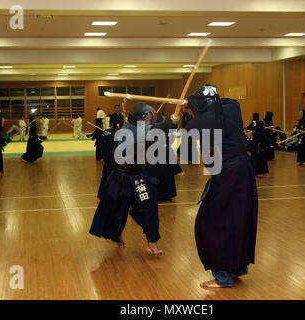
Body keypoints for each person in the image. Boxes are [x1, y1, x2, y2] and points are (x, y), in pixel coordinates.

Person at [181, 85, 258, 289]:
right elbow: (226, 102)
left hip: (227, 173)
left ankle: (222, 277)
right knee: (238, 218)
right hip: (245, 171)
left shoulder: (199, 122)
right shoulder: (233, 109)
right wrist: (194, 102)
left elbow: (185, 152)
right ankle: (236, 270)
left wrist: (183, 111)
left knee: (210, 223)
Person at [89, 102, 178, 255]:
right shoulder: (127, 129)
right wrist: (169, 123)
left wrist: (173, 122)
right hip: (119, 177)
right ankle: (116, 235)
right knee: (116, 209)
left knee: (150, 206)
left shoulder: (146, 129)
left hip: (138, 177)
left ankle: (151, 242)